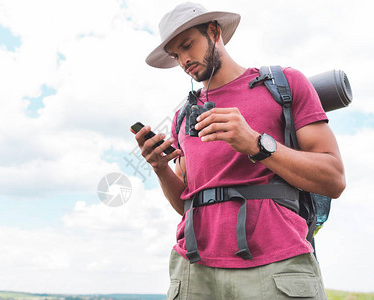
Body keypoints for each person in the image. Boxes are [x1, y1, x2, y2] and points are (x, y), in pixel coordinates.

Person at [132, 2, 345, 299]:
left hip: (276, 264)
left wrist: (257, 144)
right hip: (194, 270)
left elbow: (333, 179)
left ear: (214, 30)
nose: (183, 60)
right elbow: (187, 205)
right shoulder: (183, 117)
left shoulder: (284, 84)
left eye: (187, 45)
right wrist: (159, 167)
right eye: (175, 55)